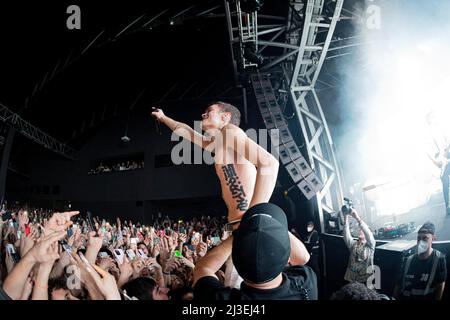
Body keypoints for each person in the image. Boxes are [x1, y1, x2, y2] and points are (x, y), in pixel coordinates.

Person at [151, 102, 280, 287]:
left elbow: (270, 164)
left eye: (209, 111)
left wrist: (254, 217)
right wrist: (163, 118)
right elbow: (186, 132)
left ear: (225, 117)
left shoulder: (230, 132)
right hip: (242, 228)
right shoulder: (218, 142)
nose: (203, 114)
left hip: (250, 228)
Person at [192, 203, 316, 300]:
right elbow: (302, 258)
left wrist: (239, 233)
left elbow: (203, 268)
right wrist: (273, 228)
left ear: (235, 261)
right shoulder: (306, 284)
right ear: (287, 260)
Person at [393, 222, 447, 300]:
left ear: (433, 239)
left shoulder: (439, 259)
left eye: (425, 238)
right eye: (419, 238)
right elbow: (398, 285)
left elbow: (441, 285)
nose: (421, 242)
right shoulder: (408, 260)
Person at [342, 208, 376, 285]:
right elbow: (345, 235)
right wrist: (345, 216)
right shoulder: (353, 244)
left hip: (365, 280)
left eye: (362, 229)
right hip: (351, 279)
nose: (360, 230)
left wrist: (357, 217)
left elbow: (368, 234)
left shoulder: (370, 245)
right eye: (360, 229)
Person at [429, 144, 450, 216]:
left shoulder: (444, 158)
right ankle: (448, 208)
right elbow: (439, 164)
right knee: (446, 192)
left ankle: (448, 208)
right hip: (444, 176)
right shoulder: (442, 158)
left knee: (446, 192)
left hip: (444, 175)